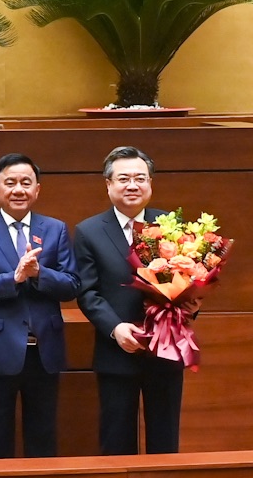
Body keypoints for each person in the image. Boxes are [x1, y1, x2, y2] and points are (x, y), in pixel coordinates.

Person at [0, 152, 77, 458]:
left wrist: (39, 274)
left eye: (26, 182)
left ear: (37, 189)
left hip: (45, 351)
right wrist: (13, 279)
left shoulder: (56, 229)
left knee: (43, 437)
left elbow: (72, 284)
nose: (18, 189)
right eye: (10, 182)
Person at [74, 145, 188, 454]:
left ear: (151, 182)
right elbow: (87, 291)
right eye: (123, 178)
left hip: (164, 351)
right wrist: (115, 328)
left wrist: (186, 312)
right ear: (108, 184)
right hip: (116, 352)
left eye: (140, 178)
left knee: (165, 442)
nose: (132, 185)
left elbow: (188, 282)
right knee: (116, 443)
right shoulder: (88, 231)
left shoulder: (171, 225)